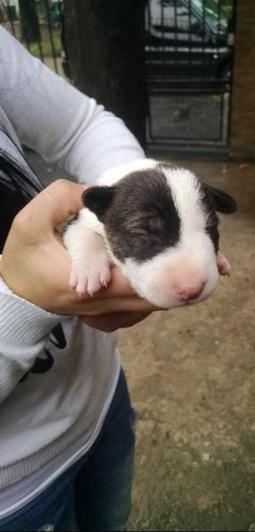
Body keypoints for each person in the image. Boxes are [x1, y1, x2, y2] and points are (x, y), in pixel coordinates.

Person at [0, 26, 156, 531]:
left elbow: (80, 126)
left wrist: (138, 203)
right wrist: (22, 307)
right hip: (16, 495)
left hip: (99, 397)